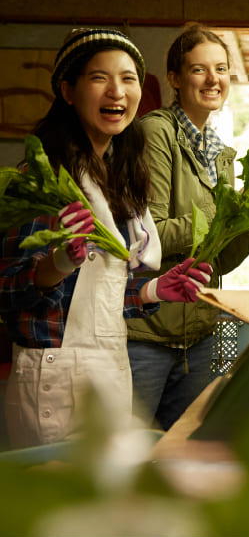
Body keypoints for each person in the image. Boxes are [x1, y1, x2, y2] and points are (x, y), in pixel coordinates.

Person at [0, 28, 211, 448]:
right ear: (68, 91)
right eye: (99, 77)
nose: (117, 91)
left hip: (110, 371)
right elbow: (7, 290)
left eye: (128, 78)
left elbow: (98, 297)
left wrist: (152, 290)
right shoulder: (43, 181)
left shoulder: (118, 180)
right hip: (55, 378)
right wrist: (57, 264)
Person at [126, 25, 249, 431]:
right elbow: (151, 239)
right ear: (176, 79)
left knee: (188, 451)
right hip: (147, 335)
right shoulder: (156, 132)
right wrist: (228, 210)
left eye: (221, 69)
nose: (213, 79)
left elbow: (221, 261)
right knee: (130, 454)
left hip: (200, 336)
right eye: (199, 69)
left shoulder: (220, 153)